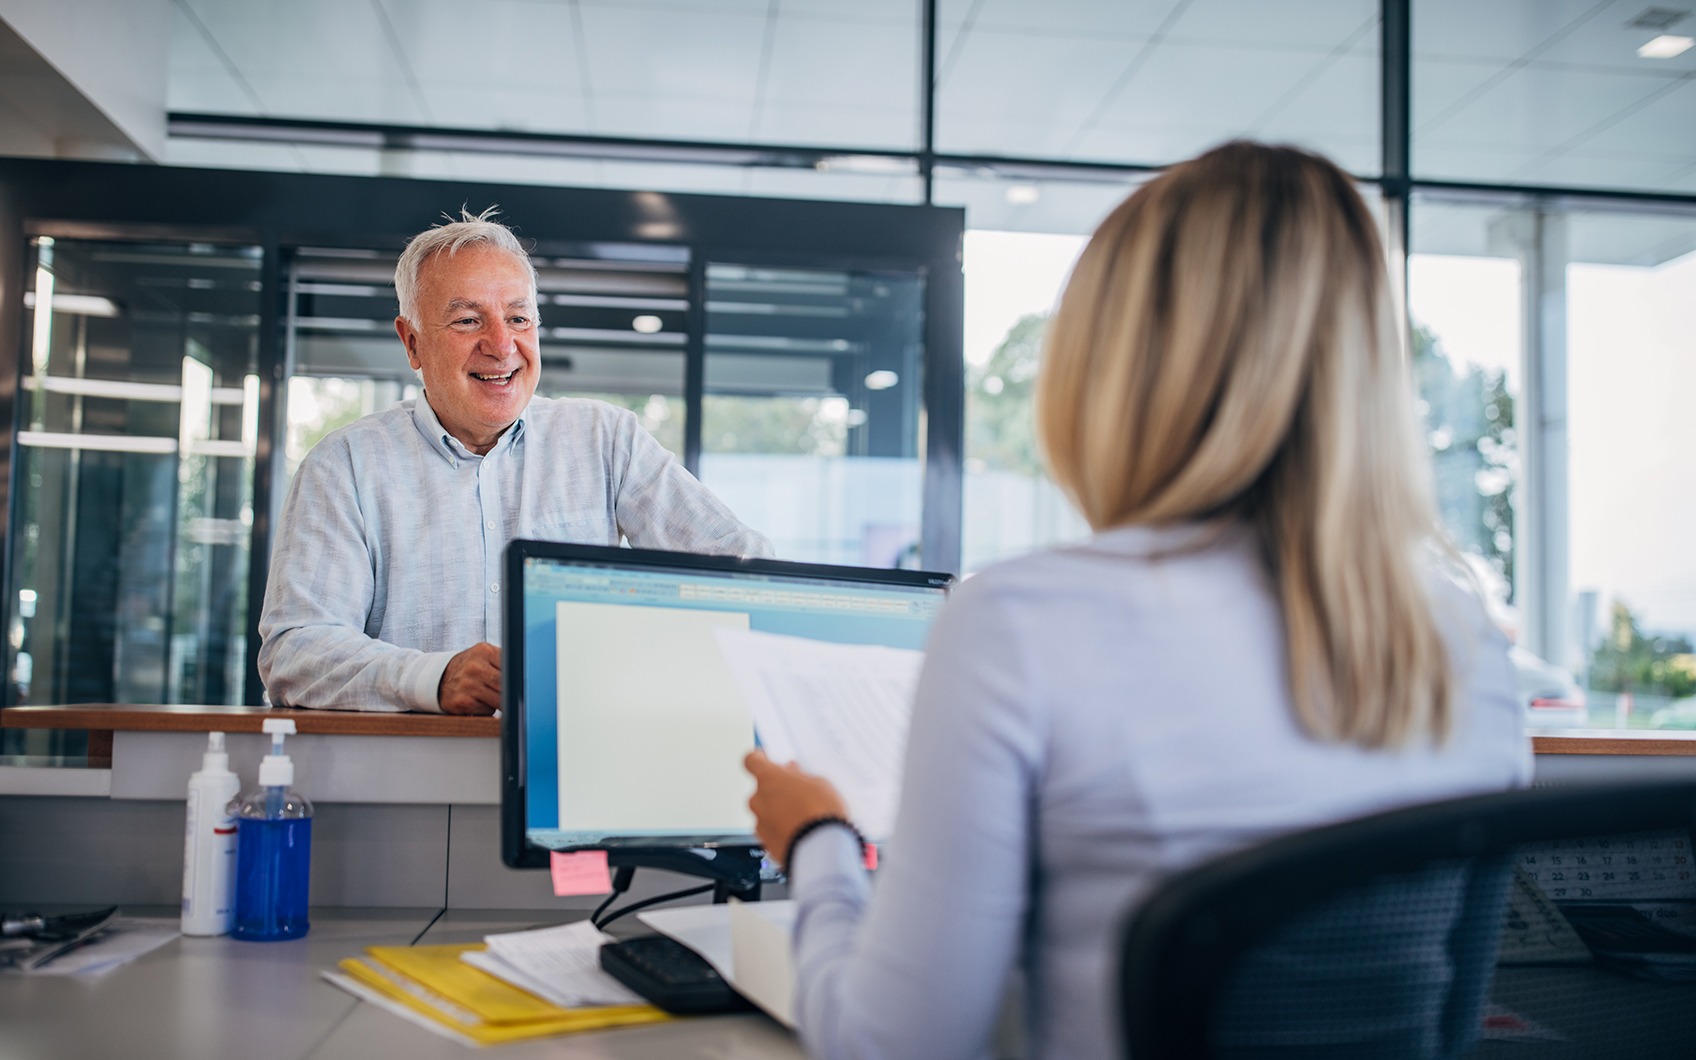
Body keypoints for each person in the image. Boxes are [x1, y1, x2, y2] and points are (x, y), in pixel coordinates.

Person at [744, 141, 1531, 1059]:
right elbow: (1455, 1019)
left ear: (1112, 367)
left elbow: (893, 1047)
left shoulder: (1024, 623)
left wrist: (820, 843)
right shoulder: (1468, 643)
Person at [259, 208, 771, 715]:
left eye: (519, 318)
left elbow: (742, 567)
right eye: (467, 320)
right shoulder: (344, 466)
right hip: (408, 776)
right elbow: (296, 649)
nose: (502, 346)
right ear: (412, 342)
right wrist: (432, 679)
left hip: (573, 769)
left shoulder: (604, 440)